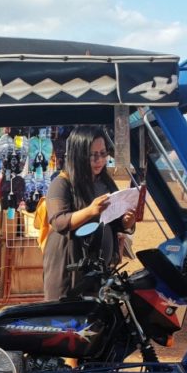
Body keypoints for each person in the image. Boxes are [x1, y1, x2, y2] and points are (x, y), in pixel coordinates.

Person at [41, 126, 134, 301]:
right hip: (68, 268)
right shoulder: (61, 183)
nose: (99, 160)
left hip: (97, 270)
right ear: (79, 154)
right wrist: (90, 210)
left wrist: (126, 222)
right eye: (93, 155)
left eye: (103, 153)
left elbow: (113, 221)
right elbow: (59, 222)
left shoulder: (105, 182)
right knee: (66, 320)